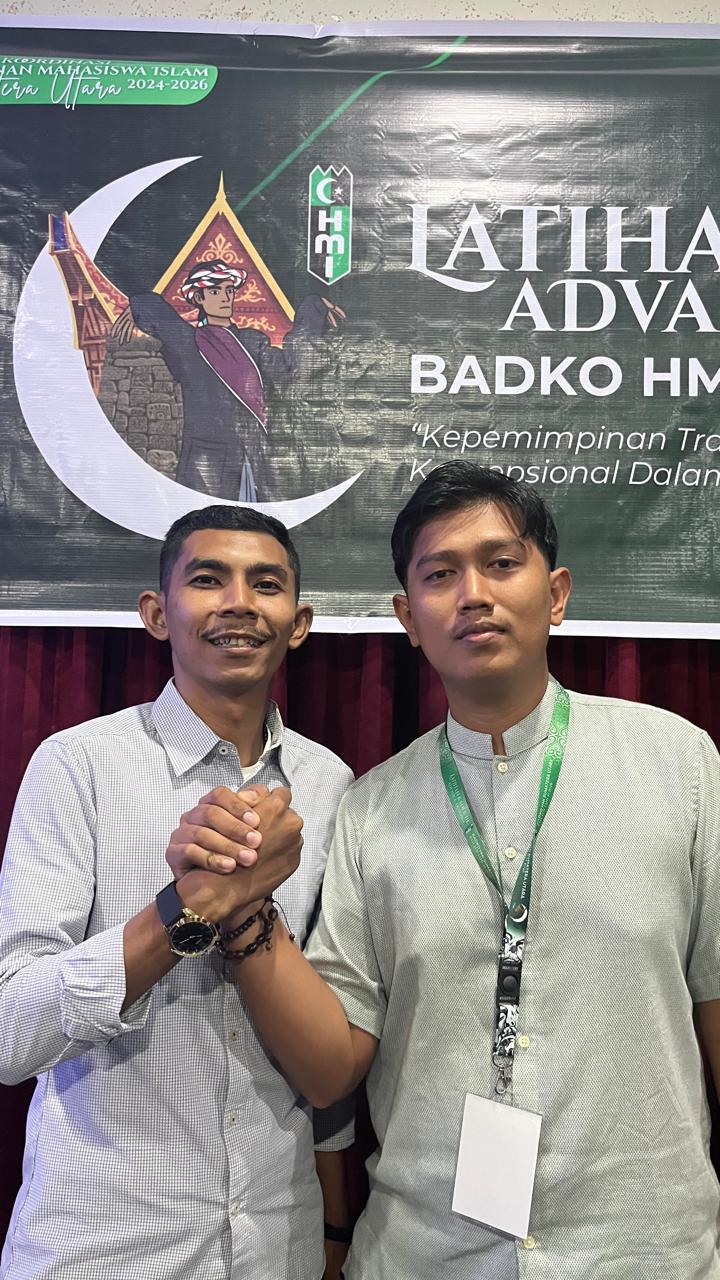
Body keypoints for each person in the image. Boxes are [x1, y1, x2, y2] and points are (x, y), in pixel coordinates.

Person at [173, 463, 720, 1278]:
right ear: (408, 618)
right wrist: (245, 909)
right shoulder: (371, 808)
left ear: (556, 594)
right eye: (439, 575)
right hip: (427, 1251)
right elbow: (329, 1069)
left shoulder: (678, 763)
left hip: (644, 1251)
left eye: (501, 564)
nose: (473, 594)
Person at [0, 505, 354, 1280]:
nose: (239, 602)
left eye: (266, 584)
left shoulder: (331, 785)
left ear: (298, 624)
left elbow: (331, 1039)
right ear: (157, 614)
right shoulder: (78, 766)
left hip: (278, 1247)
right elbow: (10, 1033)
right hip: (103, 1248)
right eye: (208, 579)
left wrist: (333, 1228)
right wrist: (188, 909)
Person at [112, 260, 344, 501]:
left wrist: (312, 311)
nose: (225, 297)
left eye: (229, 290)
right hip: (208, 465)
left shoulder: (253, 342)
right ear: (198, 298)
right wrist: (139, 304)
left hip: (255, 461)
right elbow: (159, 314)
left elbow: (292, 370)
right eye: (215, 291)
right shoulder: (188, 343)